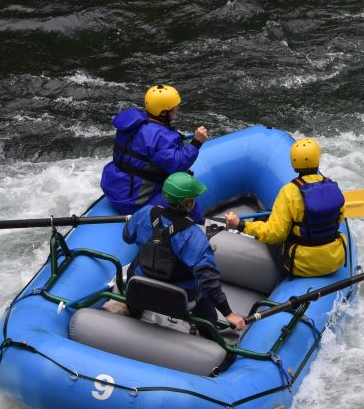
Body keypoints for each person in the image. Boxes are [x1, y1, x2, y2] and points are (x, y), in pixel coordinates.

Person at [122, 172, 246, 332]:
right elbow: (208, 278)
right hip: (176, 294)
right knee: (203, 291)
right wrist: (228, 313)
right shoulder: (193, 235)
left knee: (139, 257)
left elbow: (127, 237)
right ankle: (209, 332)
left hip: (141, 281)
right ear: (188, 203)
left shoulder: (145, 212)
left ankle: (133, 310)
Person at [224, 138, 346, 278]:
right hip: (335, 259)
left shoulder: (289, 191)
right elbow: (339, 218)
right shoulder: (333, 186)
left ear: (294, 164)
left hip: (302, 265)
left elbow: (275, 234)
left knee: (264, 218)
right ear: (317, 159)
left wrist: (241, 225)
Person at [100, 84, 209, 221]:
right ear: (163, 113)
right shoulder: (160, 137)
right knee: (187, 200)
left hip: (114, 189)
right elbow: (177, 164)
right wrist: (196, 142)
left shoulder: (132, 123)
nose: (177, 109)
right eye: (174, 107)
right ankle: (198, 228)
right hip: (133, 201)